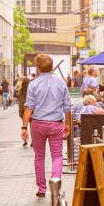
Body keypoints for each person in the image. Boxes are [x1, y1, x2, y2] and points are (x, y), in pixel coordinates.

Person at [21, 54, 72, 197]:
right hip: (56, 124)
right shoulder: (61, 83)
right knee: (57, 155)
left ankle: (42, 189)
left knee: (39, 156)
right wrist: (67, 124)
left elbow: (29, 108)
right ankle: (55, 182)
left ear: (38, 68)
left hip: (38, 124)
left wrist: (24, 127)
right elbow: (67, 107)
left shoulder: (33, 84)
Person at [17, 76, 31, 148]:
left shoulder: (20, 92)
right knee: (32, 127)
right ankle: (33, 141)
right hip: (31, 111)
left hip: (23, 112)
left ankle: (25, 140)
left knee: (24, 127)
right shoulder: (31, 91)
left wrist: (20, 113)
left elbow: (20, 103)